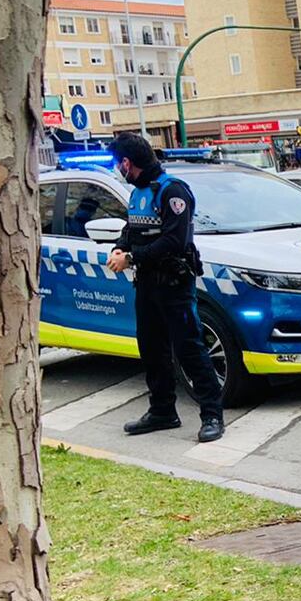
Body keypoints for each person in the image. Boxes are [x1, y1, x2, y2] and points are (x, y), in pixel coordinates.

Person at [105, 132, 225, 443]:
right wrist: (120, 248)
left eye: (119, 164)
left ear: (128, 163)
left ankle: (212, 414)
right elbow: (132, 228)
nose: (119, 169)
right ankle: (162, 411)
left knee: (189, 348)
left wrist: (130, 257)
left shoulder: (172, 191)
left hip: (174, 284)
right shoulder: (138, 192)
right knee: (152, 349)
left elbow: (175, 241)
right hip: (146, 284)